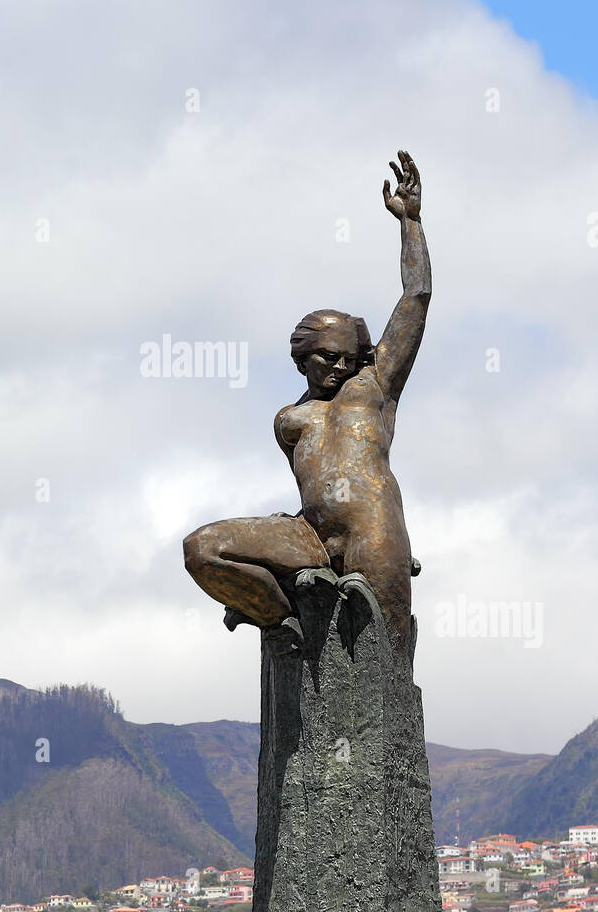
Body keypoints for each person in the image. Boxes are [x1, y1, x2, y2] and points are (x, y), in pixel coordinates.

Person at [183, 149, 430, 646]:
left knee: (384, 659)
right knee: (203, 548)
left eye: (346, 357)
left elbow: (416, 298)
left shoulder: (376, 385)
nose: (339, 367)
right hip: (311, 537)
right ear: (302, 359)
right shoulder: (289, 420)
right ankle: (282, 619)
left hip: (372, 533)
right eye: (326, 358)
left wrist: (411, 223)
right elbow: (313, 488)